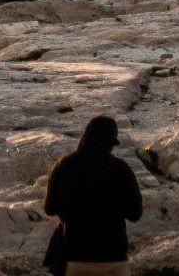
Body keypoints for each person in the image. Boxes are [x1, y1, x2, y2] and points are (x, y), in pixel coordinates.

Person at [43, 115, 142, 275]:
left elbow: (49, 208)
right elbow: (135, 214)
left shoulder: (64, 165)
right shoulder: (121, 169)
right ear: (110, 143)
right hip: (114, 259)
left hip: (76, 258)